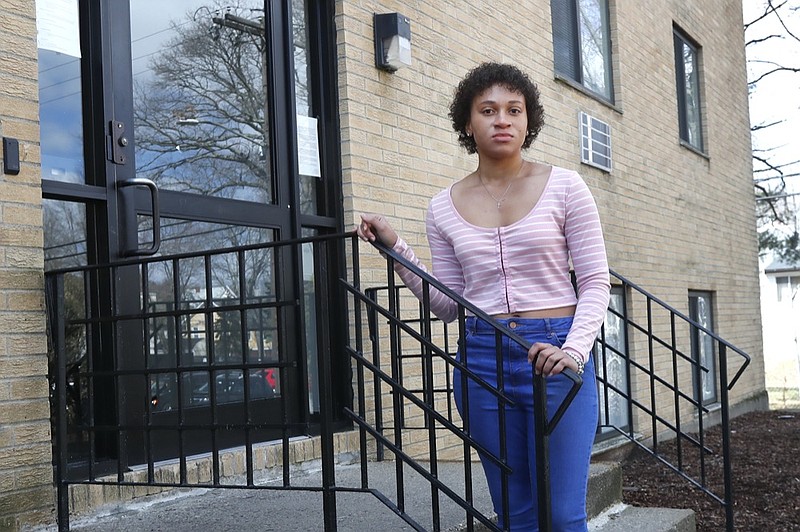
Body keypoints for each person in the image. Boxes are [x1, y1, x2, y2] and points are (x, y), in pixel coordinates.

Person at [357, 62, 610, 531]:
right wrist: (397, 249)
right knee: (515, 515)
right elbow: (450, 304)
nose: (502, 120)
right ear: (468, 123)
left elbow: (596, 281)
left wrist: (573, 351)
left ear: (528, 120)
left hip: (555, 356)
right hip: (482, 360)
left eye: (514, 110)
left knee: (561, 514)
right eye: (488, 110)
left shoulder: (566, 187)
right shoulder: (442, 206)